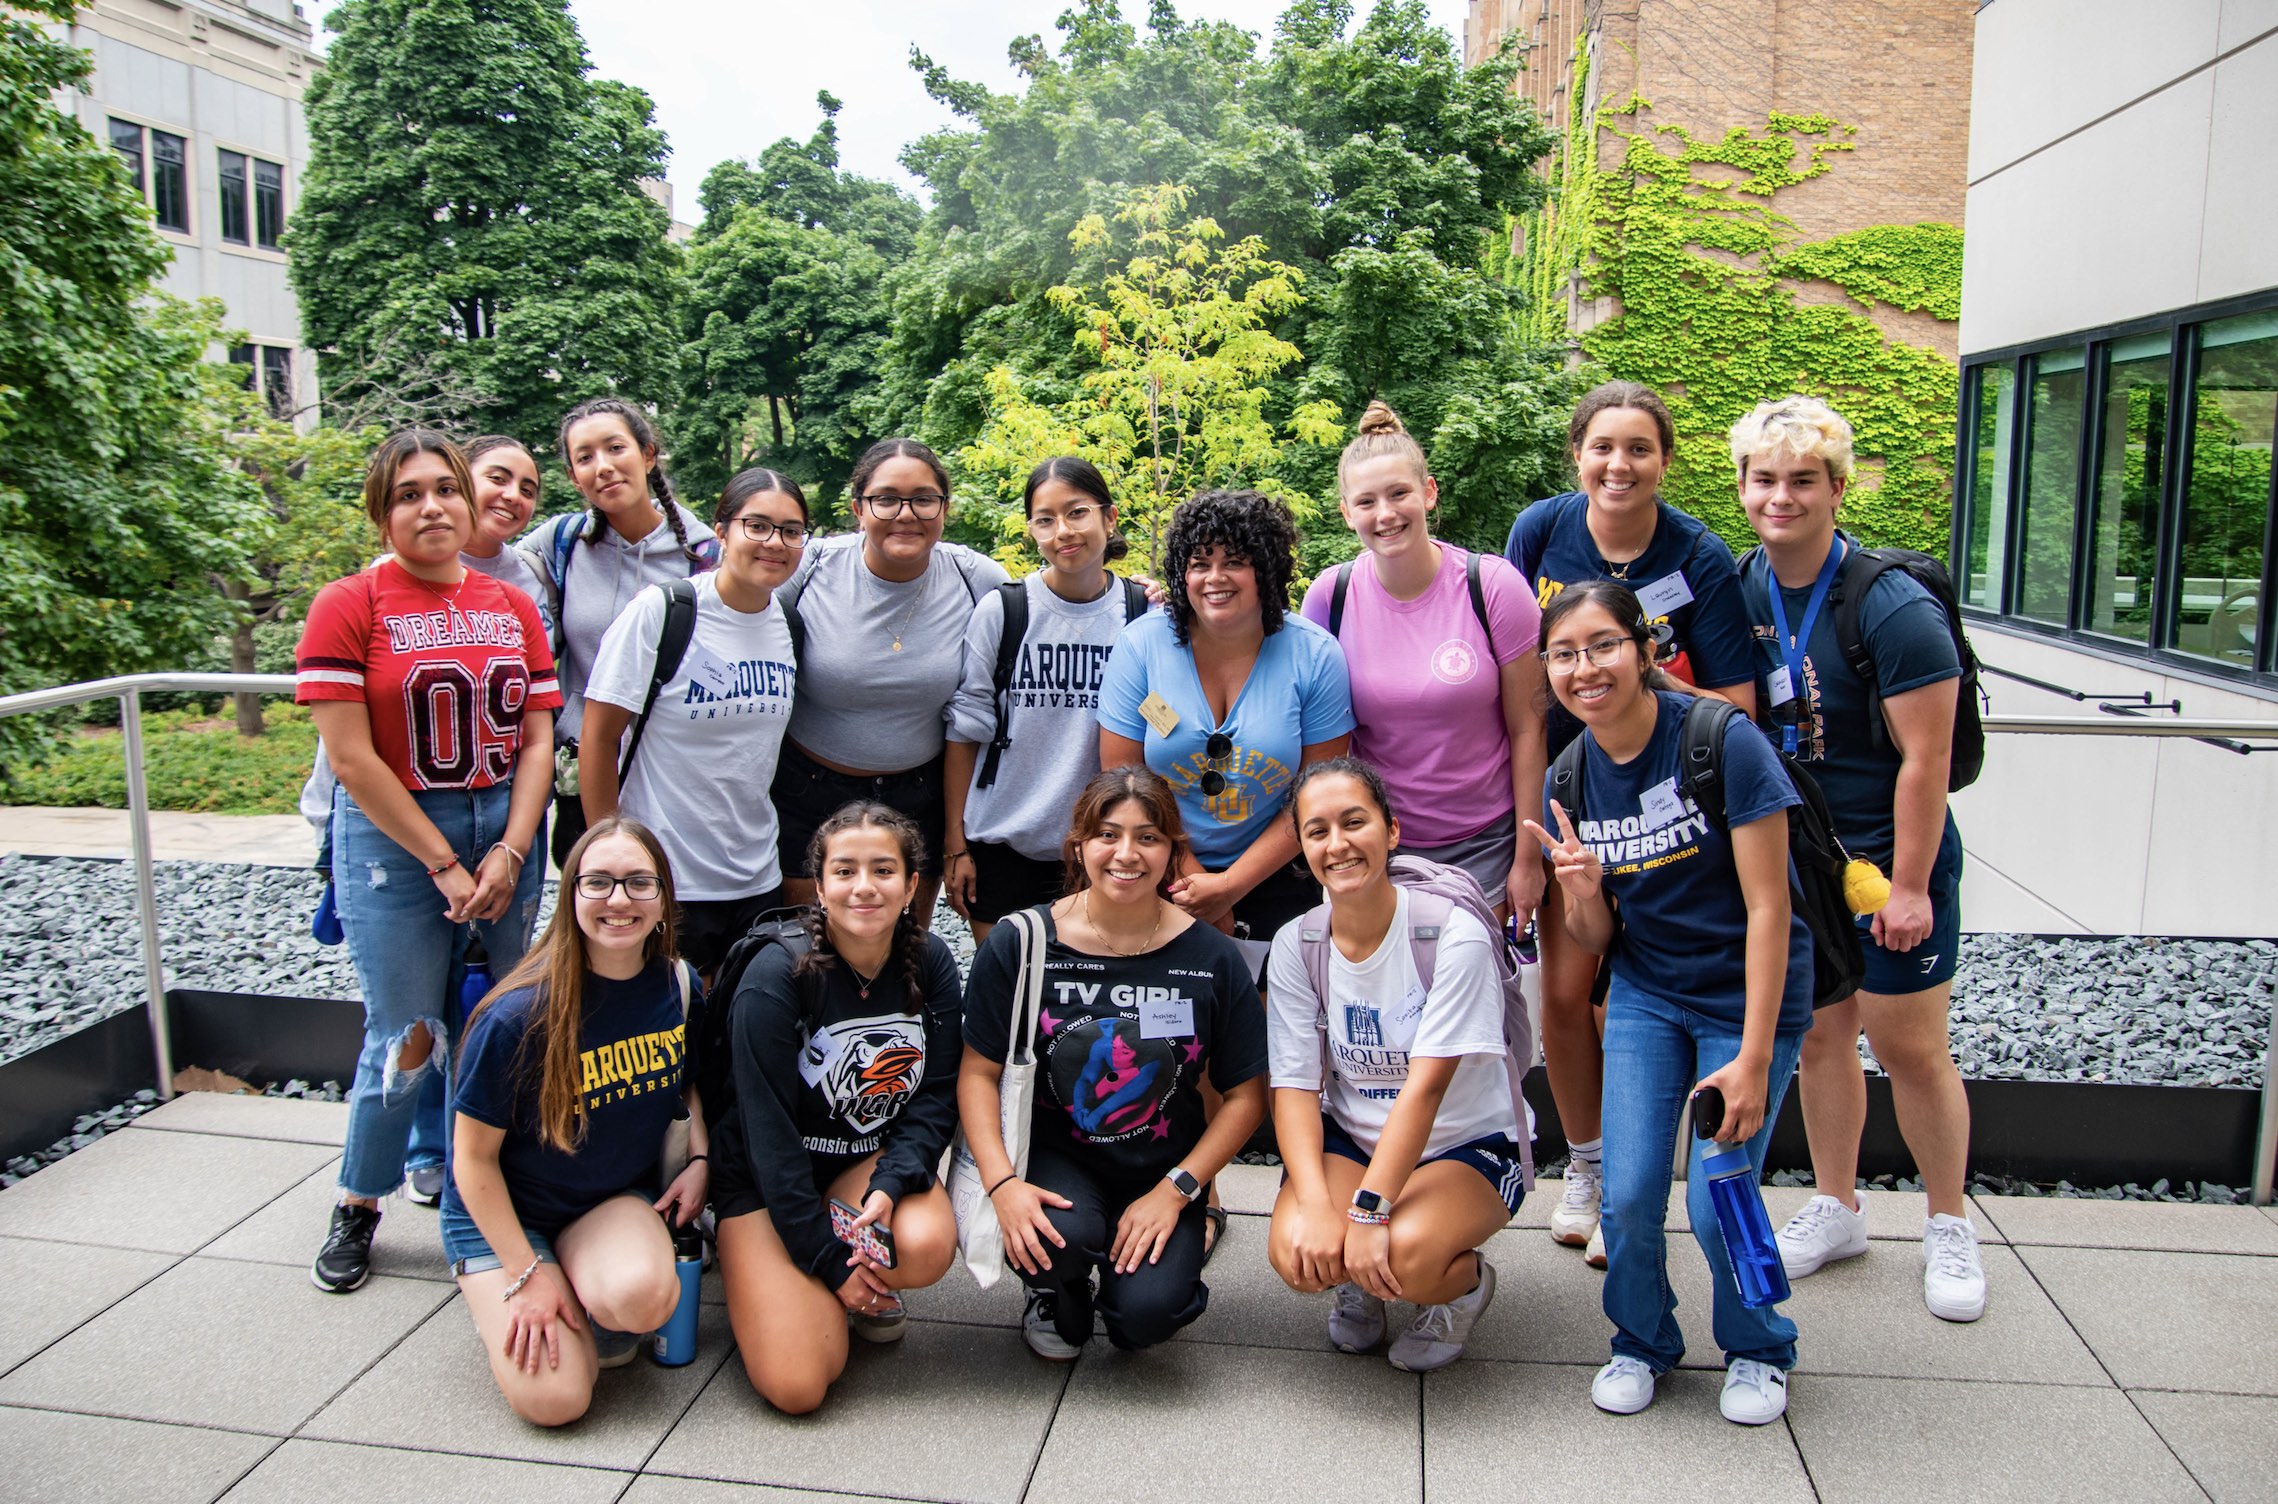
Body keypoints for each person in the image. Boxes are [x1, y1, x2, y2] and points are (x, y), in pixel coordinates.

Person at [1523, 580, 1811, 1426]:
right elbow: (1598, 934)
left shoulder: (1723, 740)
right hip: (1649, 991)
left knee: (1722, 1194)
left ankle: (1761, 1345)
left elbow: (1771, 908)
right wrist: (1579, 891)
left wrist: (1753, 1059)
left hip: (1744, 998)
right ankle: (1640, 1341)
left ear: (1645, 652)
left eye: (1604, 645)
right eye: (1566, 654)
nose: (1587, 668)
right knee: (1631, 1190)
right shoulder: (1570, 774)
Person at [1728, 396, 1985, 1321]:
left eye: (1802, 480)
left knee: (1909, 1046)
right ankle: (1837, 1206)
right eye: (1764, 479)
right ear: (1744, 488)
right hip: (1802, 858)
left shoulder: (1888, 601)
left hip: (1889, 852)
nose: (1781, 496)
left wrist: (1911, 884)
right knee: (1826, 1034)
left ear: (1837, 487)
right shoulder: (1743, 586)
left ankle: (1950, 1223)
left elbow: (1928, 758)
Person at [296, 428, 557, 1293]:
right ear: (381, 510)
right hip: (398, 839)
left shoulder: (510, 603)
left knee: (498, 1022)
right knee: (409, 1032)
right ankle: (358, 1201)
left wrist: (515, 849)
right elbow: (351, 758)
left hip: (506, 832)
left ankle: (483, 1188)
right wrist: (446, 862)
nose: (432, 505)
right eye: (408, 493)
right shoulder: (348, 603)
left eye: (444, 488)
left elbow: (535, 733)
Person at [1504, 381, 1758, 1265]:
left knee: (1632, 1005)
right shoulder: (1539, 532)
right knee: (1566, 997)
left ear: (1665, 460)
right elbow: (1525, 693)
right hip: (1570, 802)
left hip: (1663, 808)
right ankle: (1588, 1165)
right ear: (1576, 454)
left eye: (1638, 448)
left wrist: (1636, 673)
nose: (1619, 464)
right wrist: (1525, 839)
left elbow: (1738, 706)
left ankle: (1639, 1186)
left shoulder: (1700, 555)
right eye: (1602, 447)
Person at [957, 767, 1269, 1359]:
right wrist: (1001, 1184)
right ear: (1079, 844)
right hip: (1055, 1156)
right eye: (1108, 834)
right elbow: (978, 1072)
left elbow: (1246, 1097)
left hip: (1159, 1167)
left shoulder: (1210, 956)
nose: (1126, 853)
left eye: (1148, 837)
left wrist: (1178, 1190)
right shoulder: (1023, 942)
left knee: (1144, 1320)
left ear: (1173, 851)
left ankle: (1134, 1280)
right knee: (1061, 1243)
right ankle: (1056, 1289)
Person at [443, 818, 711, 1424]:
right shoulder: (516, 1015)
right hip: (506, 1217)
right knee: (558, 1401)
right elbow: (471, 1160)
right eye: (599, 883)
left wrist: (698, 1160)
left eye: (639, 882)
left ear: (664, 898)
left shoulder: (679, 985)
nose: (620, 900)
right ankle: (544, 1286)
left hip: (607, 1200)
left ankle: (591, 1290)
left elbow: (686, 1085)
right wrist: (527, 1274)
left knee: (643, 1301)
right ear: (572, 897)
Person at [1265, 758, 1526, 1372]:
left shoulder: (1449, 934)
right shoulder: (1298, 944)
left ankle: (1462, 1289)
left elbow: (1426, 1089)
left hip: (1466, 1142)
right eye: (1318, 830)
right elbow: (1296, 1088)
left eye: (1355, 822)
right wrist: (1315, 1205)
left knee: (1407, 1260)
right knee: (1296, 1253)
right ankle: (1361, 1277)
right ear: (1302, 849)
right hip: (1356, 1136)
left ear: (1393, 830)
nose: (1339, 844)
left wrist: (1365, 1213)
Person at [710, 803, 963, 1413]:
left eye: (883, 870)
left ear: (911, 887)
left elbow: (934, 1097)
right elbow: (766, 1139)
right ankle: (782, 1266)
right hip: (767, 1185)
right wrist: (827, 1260)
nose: (864, 887)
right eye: (845, 871)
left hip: (853, 1168)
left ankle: (836, 1275)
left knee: (925, 1242)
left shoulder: (931, 961)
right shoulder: (775, 975)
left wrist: (892, 1180)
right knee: (799, 1385)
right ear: (819, 887)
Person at [1301, 403, 1546, 920]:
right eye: (1366, 501)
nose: (1385, 514)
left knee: (1479, 996)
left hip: (1486, 843)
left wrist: (1528, 857)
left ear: (1428, 493)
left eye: (1399, 494)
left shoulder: (1492, 587)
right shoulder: (1331, 596)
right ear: (1346, 513)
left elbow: (1529, 730)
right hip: (1376, 847)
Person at [1098, 489, 1354, 943]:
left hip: (1277, 875)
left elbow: (1317, 793)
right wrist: (1191, 882)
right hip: (1153, 865)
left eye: (1234, 561)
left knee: (1267, 1010)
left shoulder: (1314, 655)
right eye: (1199, 563)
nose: (1215, 578)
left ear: (1266, 569)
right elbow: (1122, 773)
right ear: (1182, 572)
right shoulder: (1141, 646)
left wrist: (1229, 888)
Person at [579, 469, 807, 975]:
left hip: (755, 876)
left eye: (791, 531)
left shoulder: (788, 625)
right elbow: (598, 737)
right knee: (669, 1028)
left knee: (738, 1029)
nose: (776, 543)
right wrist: (608, 855)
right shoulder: (665, 611)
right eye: (758, 526)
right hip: (665, 875)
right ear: (721, 531)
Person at [772, 438, 1009, 921]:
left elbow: (1048, 608)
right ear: (858, 508)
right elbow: (731, 602)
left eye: (924, 498)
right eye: (886, 499)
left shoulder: (975, 578)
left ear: (945, 508)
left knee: (903, 946)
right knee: (801, 941)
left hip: (919, 792)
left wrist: (1139, 596)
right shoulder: (811, 568)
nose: (906, 513)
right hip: (808, 789)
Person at [945, 457, 1147, 946]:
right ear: (1032, 529)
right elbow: (965, 729)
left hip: (1103, 848)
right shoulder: (1006, 610)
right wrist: (955, 845)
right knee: (1012, 997)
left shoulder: (1142, 612)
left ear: (1109, 517)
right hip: (1004, 842)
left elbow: (1162, 717)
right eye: (1045, 519)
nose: (1063, 531)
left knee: (1088, 1006)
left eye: (1077, 513)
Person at [516, 398, 719, 868]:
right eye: (585, 458)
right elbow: (487, 568)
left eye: (615, 448)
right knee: (598, 917)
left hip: (673, 772)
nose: (603, 467)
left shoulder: (703, 555)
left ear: (648, 455)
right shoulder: (561, 543)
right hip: (584, 768)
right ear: (573, 476)